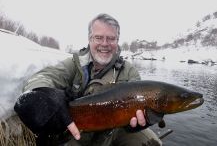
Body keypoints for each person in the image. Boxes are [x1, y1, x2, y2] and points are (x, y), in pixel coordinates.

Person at [14, 13, 162, 146]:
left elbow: (138, 111)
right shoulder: (74, 64)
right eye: (98, 37)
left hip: (112, 131)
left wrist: (137, 122)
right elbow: (43, 77)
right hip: (75, 131)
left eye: (111, 38)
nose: (105, 44)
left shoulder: (129, 72)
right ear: (89, 39)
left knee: (149, 140)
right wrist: (44, 96)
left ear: (117, 41)